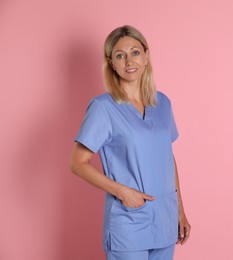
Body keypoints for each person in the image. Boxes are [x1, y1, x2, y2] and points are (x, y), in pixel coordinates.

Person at [70, 25, 191, 260]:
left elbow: (167, 157)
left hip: (165, 218)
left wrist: (179, 210)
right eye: (119, 55)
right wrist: (122, 192)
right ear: (111, 63)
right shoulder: (104, 107)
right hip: (129, 221)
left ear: (146, 56)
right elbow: (78, 163)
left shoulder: (162, 103)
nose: (129, 61)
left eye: (135, 52)